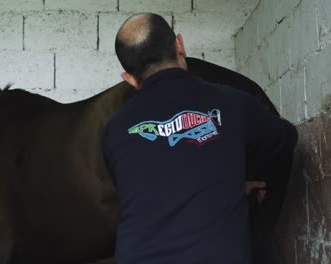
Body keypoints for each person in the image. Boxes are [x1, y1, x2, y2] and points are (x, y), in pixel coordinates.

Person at [102, 13, 298, 263]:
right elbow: (286, 138)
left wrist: (228, 185)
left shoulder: (113, 131)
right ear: (180, 45)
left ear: (128, 78)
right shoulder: (232, 103)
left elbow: (147, 187)